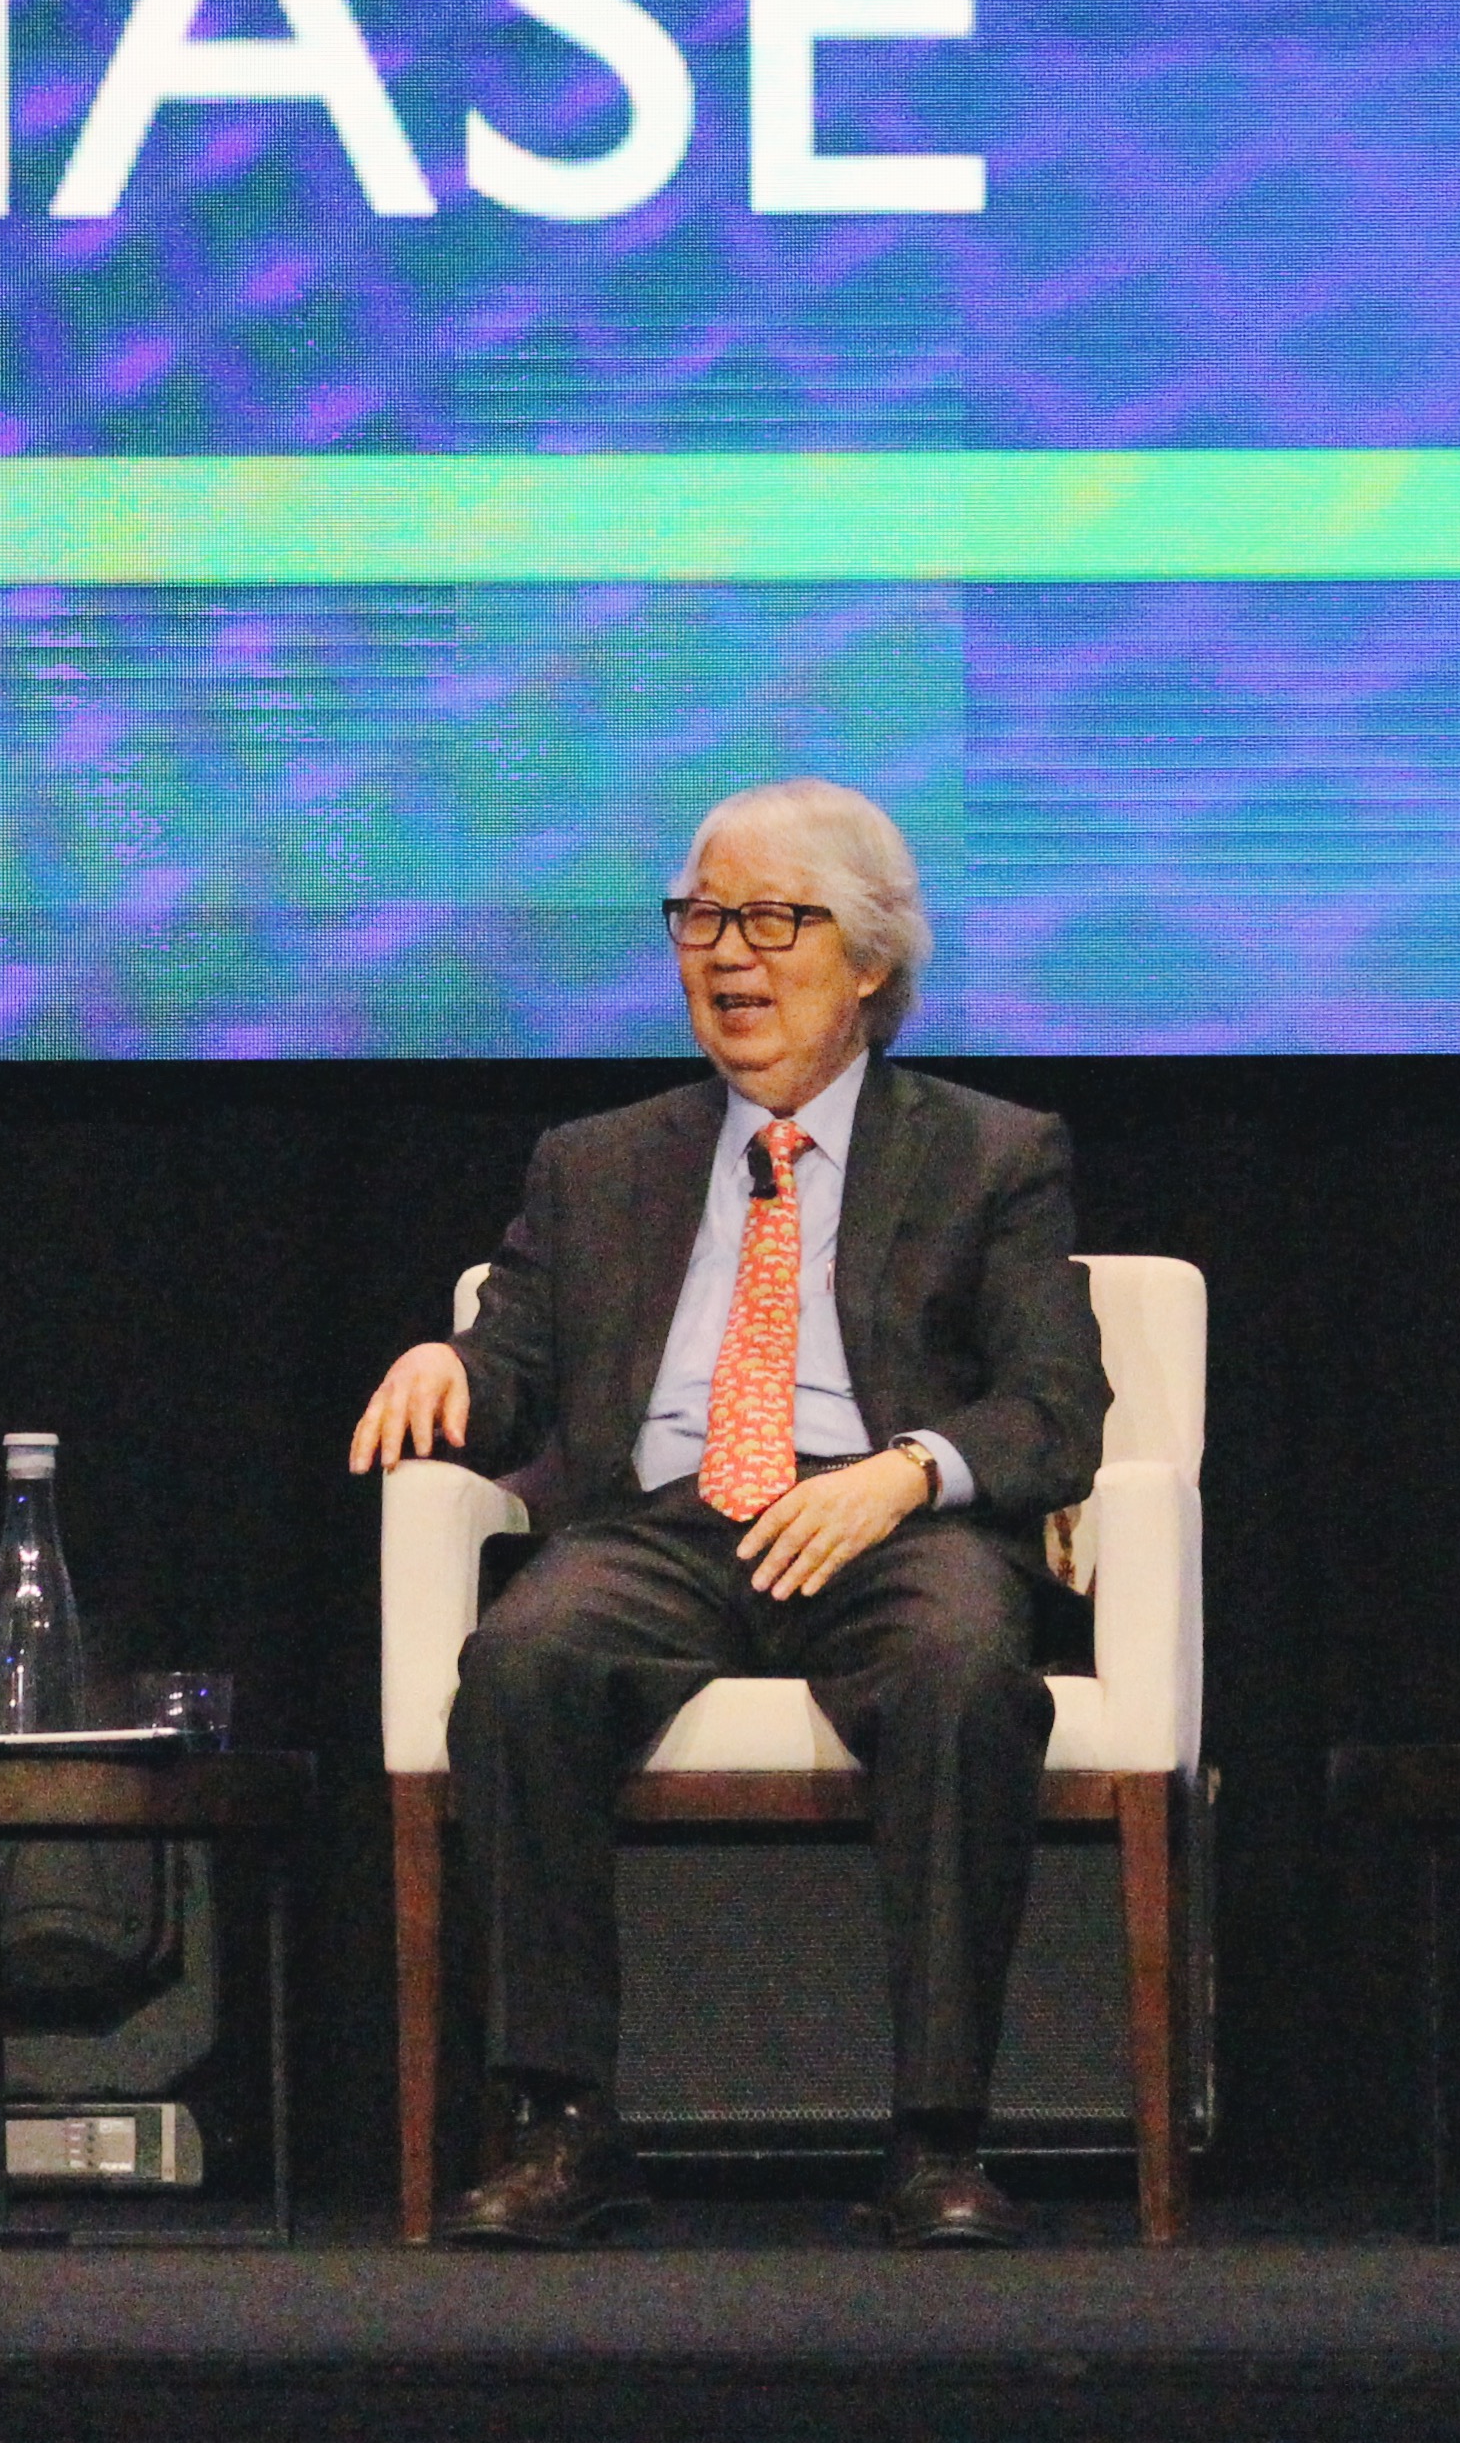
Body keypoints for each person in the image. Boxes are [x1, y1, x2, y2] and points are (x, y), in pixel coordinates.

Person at [352, 779, 1108, 2250]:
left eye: (773, 919)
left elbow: (1054, 1405)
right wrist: (449, 1358)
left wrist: (903, 1471)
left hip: (885, 1522)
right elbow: (512, 1368)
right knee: (520, 1662)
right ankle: (567, 2124)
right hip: (667, 1526)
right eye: (701, 918)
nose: (727, 956)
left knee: (966, 1671)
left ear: (873, 962)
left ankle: (937, 2136)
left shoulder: (992, 1152)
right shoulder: (596, 1160)